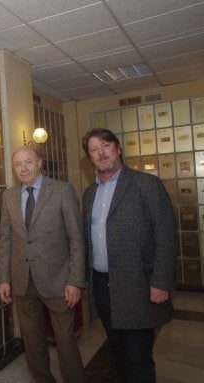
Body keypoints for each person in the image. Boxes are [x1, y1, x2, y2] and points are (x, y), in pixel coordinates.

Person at [81, 128, 177, 382]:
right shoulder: (89, 194)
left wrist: (160, 282)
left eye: (105, 146)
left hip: (138, 285)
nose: (100, 153)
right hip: (103, 286)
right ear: (89, 158)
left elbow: (166, 236)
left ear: (118, 148)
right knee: (118, 353)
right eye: (93, 150)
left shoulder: (146, 185)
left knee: (139, 357)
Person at [0, 146, 86, 383]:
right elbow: (5, 239)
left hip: (58, 281)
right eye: (18, 164)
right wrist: (4, 279)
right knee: (32, 342)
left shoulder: (61, 191)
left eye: (28, 162)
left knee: (66, 342)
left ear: (40, 163)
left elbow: (76, 239)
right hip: (23, 282)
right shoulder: (9, 195)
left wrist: (75, 280)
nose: (23, 168)